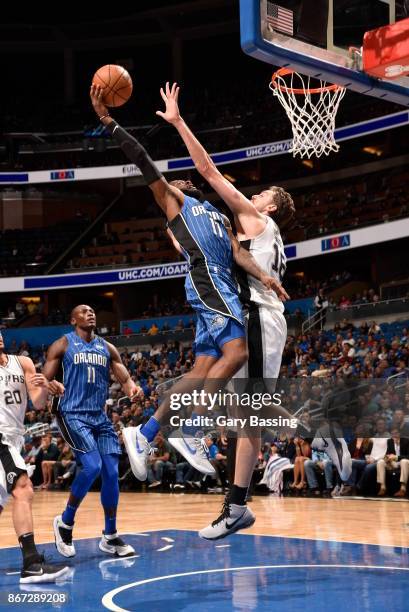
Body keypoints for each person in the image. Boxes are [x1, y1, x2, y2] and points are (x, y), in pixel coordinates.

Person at [156, 82, 351, 539]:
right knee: (243, 414)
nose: (254, 194)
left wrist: (179, 122)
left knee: (247, 412)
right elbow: (212, 247)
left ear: (271, 205)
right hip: (257, 317)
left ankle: (235, 497)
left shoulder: (260, 220)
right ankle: (235, 499)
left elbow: (208, 171)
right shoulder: (260, 235)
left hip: (260, 319)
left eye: (262, 192)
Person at [89, 85, 289, 487]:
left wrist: (265, 275)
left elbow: (238, 254)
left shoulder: (217, 215)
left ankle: (144, 435)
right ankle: (192, 427)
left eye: (181, 182)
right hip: (208, 279)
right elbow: (144, 160)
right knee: (236, 352)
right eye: (174, 181)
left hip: (222, 283)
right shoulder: (173, 202)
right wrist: (110, 123)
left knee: (201, 368)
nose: (176, 182)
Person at [43, 305, 137, 559]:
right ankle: (65, 522)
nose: (90, 313)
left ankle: (110, 535)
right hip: (72, 414)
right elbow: (42, 380)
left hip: (100, 417)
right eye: (84, 311)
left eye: (93, 311)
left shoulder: (107, 348)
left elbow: (125, 379)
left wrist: (132, 388)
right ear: (73, 319)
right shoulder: (62, 345)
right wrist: (49, 384)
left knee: (111, 472)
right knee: (92, 466)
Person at [0, 331, 68, 583]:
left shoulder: (23, 363)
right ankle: (30, 563)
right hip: (0, 437)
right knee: (24, 488)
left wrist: (48, 388)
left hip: (14, 439)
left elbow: (38, 403)